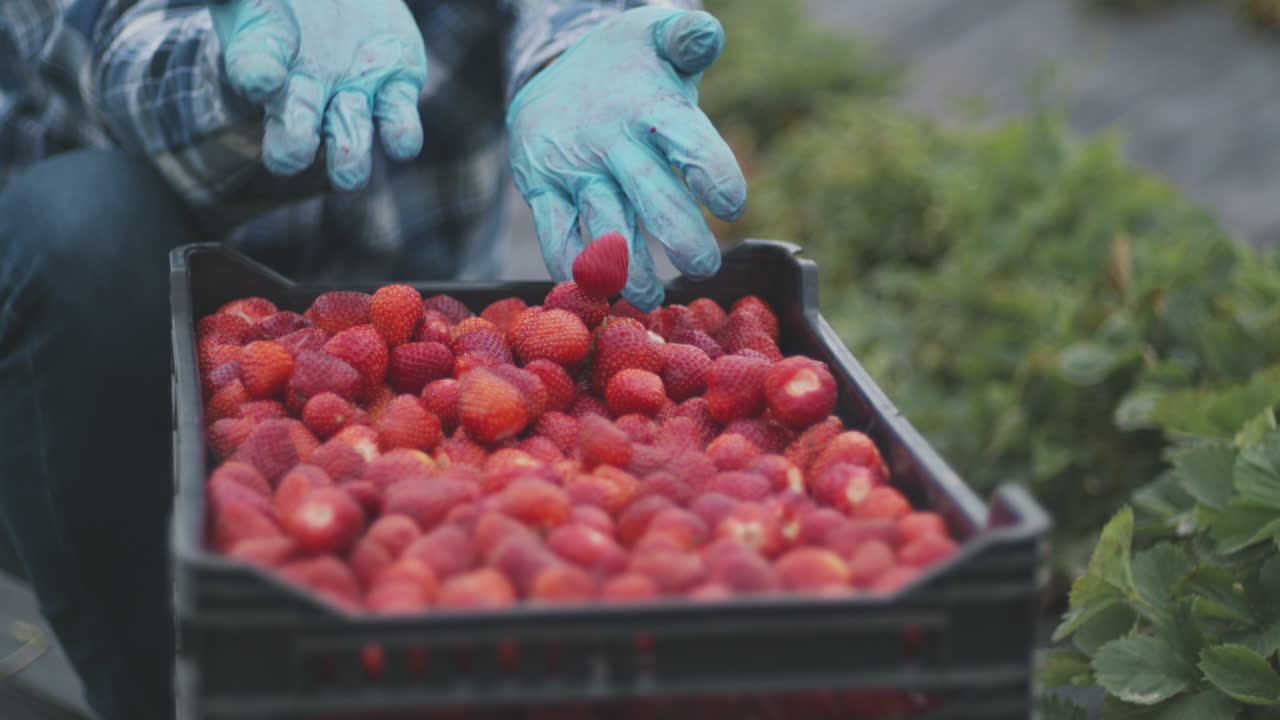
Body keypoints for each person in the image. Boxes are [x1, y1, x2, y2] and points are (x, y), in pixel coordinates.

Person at [0, 1, 747, 718]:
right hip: (88, 348)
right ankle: (157, 698)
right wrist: (246, 70)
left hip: (428, 339)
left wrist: (578, 37)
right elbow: (94, 60)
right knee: (80, 222)